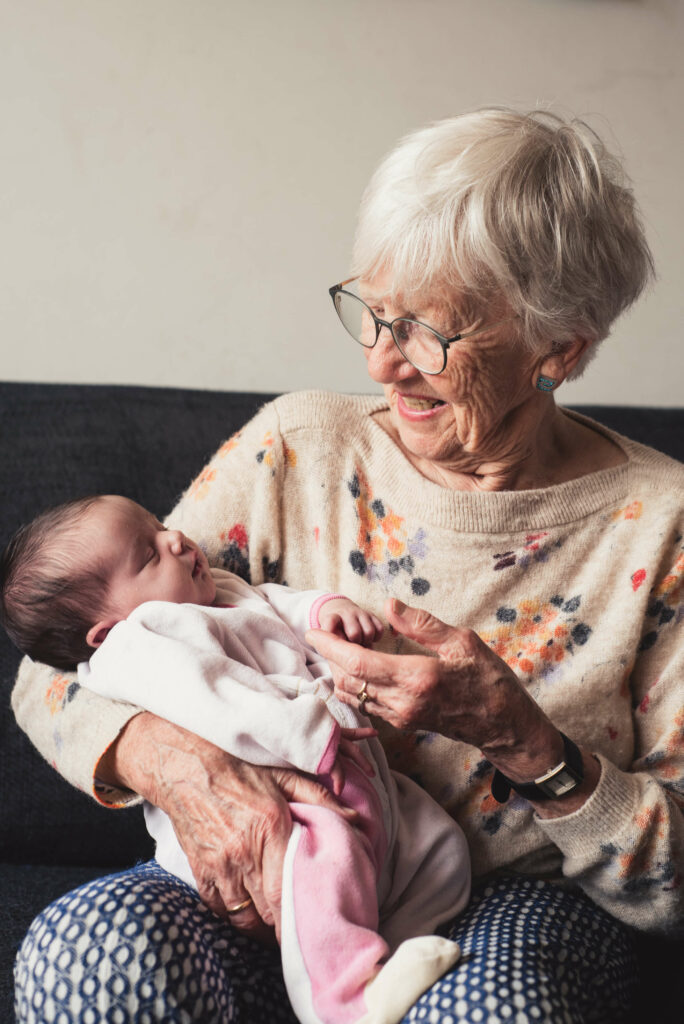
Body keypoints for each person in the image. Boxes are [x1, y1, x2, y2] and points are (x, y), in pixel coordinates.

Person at [12, 108, 683, 1024]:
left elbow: (676, 882)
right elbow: (56, 672)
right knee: (90, 955)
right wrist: (181, 767)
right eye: (372, 312)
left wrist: (526, 742)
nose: (381, 360)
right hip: (283, 866)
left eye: (430, 334)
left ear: (557, 349)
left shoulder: (662, 527)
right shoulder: (300, 447)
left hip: (506, 907)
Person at [1, 493, 469, 1024]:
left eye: (160, 526)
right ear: (105, 632)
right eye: (149, 554)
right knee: (319, 866)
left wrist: (322, 610)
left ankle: (398, 944)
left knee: (440, 844)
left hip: (350, 779)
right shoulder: (138, 646)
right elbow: (221, 702)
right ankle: (348, 1000)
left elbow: (273, 603)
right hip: (282, 800)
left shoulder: (212, 588)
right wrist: (309, 731)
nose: (174, 539)